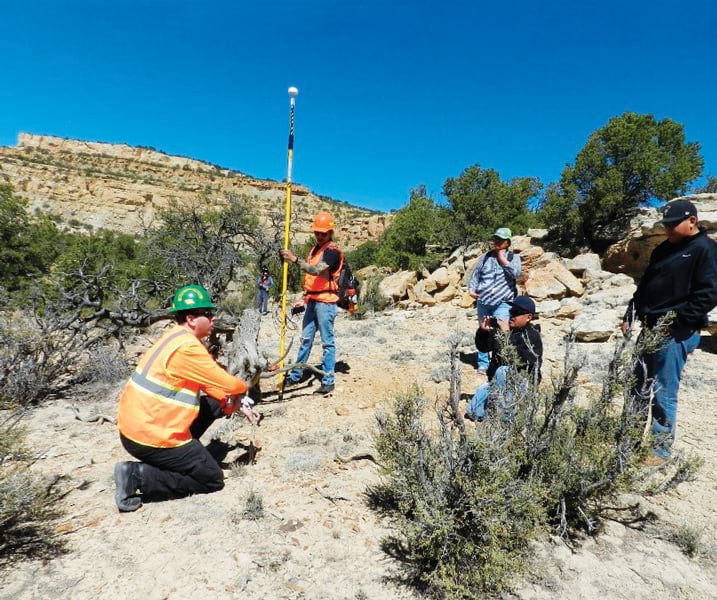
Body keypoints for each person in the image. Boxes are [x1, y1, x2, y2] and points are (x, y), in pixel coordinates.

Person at [114, 284, 257, 512]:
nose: (213, 318)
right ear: (191, 319)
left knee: (212, 402)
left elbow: (211, 386)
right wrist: (244, 389)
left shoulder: (176, 337)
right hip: (149, 435)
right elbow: (230, 383)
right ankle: (137, 476)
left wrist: (233, 403)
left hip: (140, 425)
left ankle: (181, 456)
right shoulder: (188, 348)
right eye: (208, 314)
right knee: (212, 479)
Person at [622, 199, 717, 465]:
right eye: (666, 225)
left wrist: (675, 321)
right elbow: (646, 286)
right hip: (650, 328)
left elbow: (708, 295)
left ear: (692, 221)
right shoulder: (663, 249)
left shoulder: (705, 250)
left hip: (676, 333)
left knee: (663, 391)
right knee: (636, 386)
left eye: (673, 225)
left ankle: (659, 450)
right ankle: (627, 440)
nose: (669, 230)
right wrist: (631, 311)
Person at [279, 211, 343, 395]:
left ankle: (328, 380)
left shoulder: (332, 252)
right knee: (305, 339)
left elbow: (315, 271)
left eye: (323, 233)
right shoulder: (315, 249)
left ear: (330, 232)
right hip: (313, 300)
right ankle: (296, 375)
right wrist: (304, 297)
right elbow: (312, 280)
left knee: (327, 343)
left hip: (326, 304)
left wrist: (294, 259)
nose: (319, 236)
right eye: (317, 232)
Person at [466, 295, 542, 422]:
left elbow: (521, 361)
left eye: (516, 313)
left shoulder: (532, 336)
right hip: (497, 383)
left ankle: (506, 418)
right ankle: (496, 413)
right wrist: (483, 332)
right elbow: (484, 348)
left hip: (521, 383)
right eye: (511, 311)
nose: (511, 315)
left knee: (503, 371)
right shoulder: (502, 329)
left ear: (528, 317)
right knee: (473, 412)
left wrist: (507, 335)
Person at [468, 227, 522, 373]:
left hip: (503, 302)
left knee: (501, 331)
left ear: (508, 242)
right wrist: (472, 290)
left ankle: (500, 361)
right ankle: (483, 363)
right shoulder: (485, 257)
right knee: (484, 330)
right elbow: (476, 274)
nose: (497, 242)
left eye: (501, 240)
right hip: (483, 301)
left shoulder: (513, 258)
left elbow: (516, 274)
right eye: (495, 239)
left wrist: (502, 258)